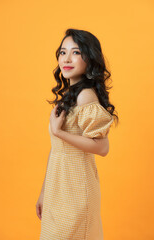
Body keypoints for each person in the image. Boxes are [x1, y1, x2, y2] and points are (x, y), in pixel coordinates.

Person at [36, 28, 119, 240]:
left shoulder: (85, 96)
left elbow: (102, 147)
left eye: (76, 52)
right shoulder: (69, 96)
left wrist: (59, 132)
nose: (67, 58)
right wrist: (45, 191)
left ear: (89, 58)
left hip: (76, 190)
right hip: (59, 187)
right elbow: (57, 150)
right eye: (63, 52)